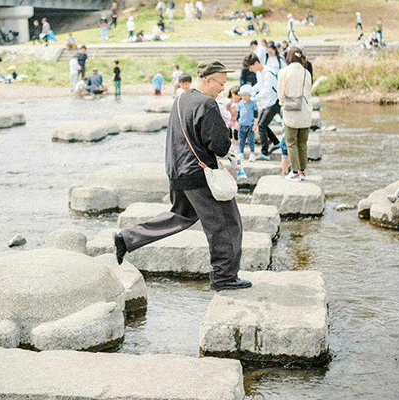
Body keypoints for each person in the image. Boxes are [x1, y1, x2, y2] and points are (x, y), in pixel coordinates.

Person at [112, 59, 252, 292]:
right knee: (227, 225)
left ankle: (127, 238)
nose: (222, 89)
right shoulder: (207, 105)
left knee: (180, 216)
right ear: (208, 79)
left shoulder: (181, 99)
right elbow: (219, 145)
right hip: (200, 175)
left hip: (178, 171)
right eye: (220, 83)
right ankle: (224, 278)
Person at [277, 46, 314, 180]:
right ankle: (303, 172)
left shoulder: (283, 72)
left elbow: (281, 93)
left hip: (291, 111)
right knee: (302, 143)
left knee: (291, 142)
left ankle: (295, 172)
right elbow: (309, 92)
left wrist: (283, 103)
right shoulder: (306, 72)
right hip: (306, 111)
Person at [245, 53, 281, 160]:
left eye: (251, 67)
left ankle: (265, 153)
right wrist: (251, 90)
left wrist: (252, 98)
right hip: (267, 102)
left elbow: (266, 91)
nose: (250, 70)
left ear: (256, 63)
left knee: (261, 126)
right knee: (263, 124)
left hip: (273, 102)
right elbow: (260, 86)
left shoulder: (268, 73)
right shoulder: (259, 73)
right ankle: (276, 142)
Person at [236, 84, 259, 163]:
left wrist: (255, 125)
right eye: (243, 95)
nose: (245, 97)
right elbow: (238, 115)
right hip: (242, 124)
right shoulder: (239, 104)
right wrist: (237, 123)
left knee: (251, 140)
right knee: (241, 140)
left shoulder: (253, 104)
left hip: (250, 125)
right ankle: (241, 153)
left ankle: (252, 153)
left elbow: (256, 115)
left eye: (247, 95)